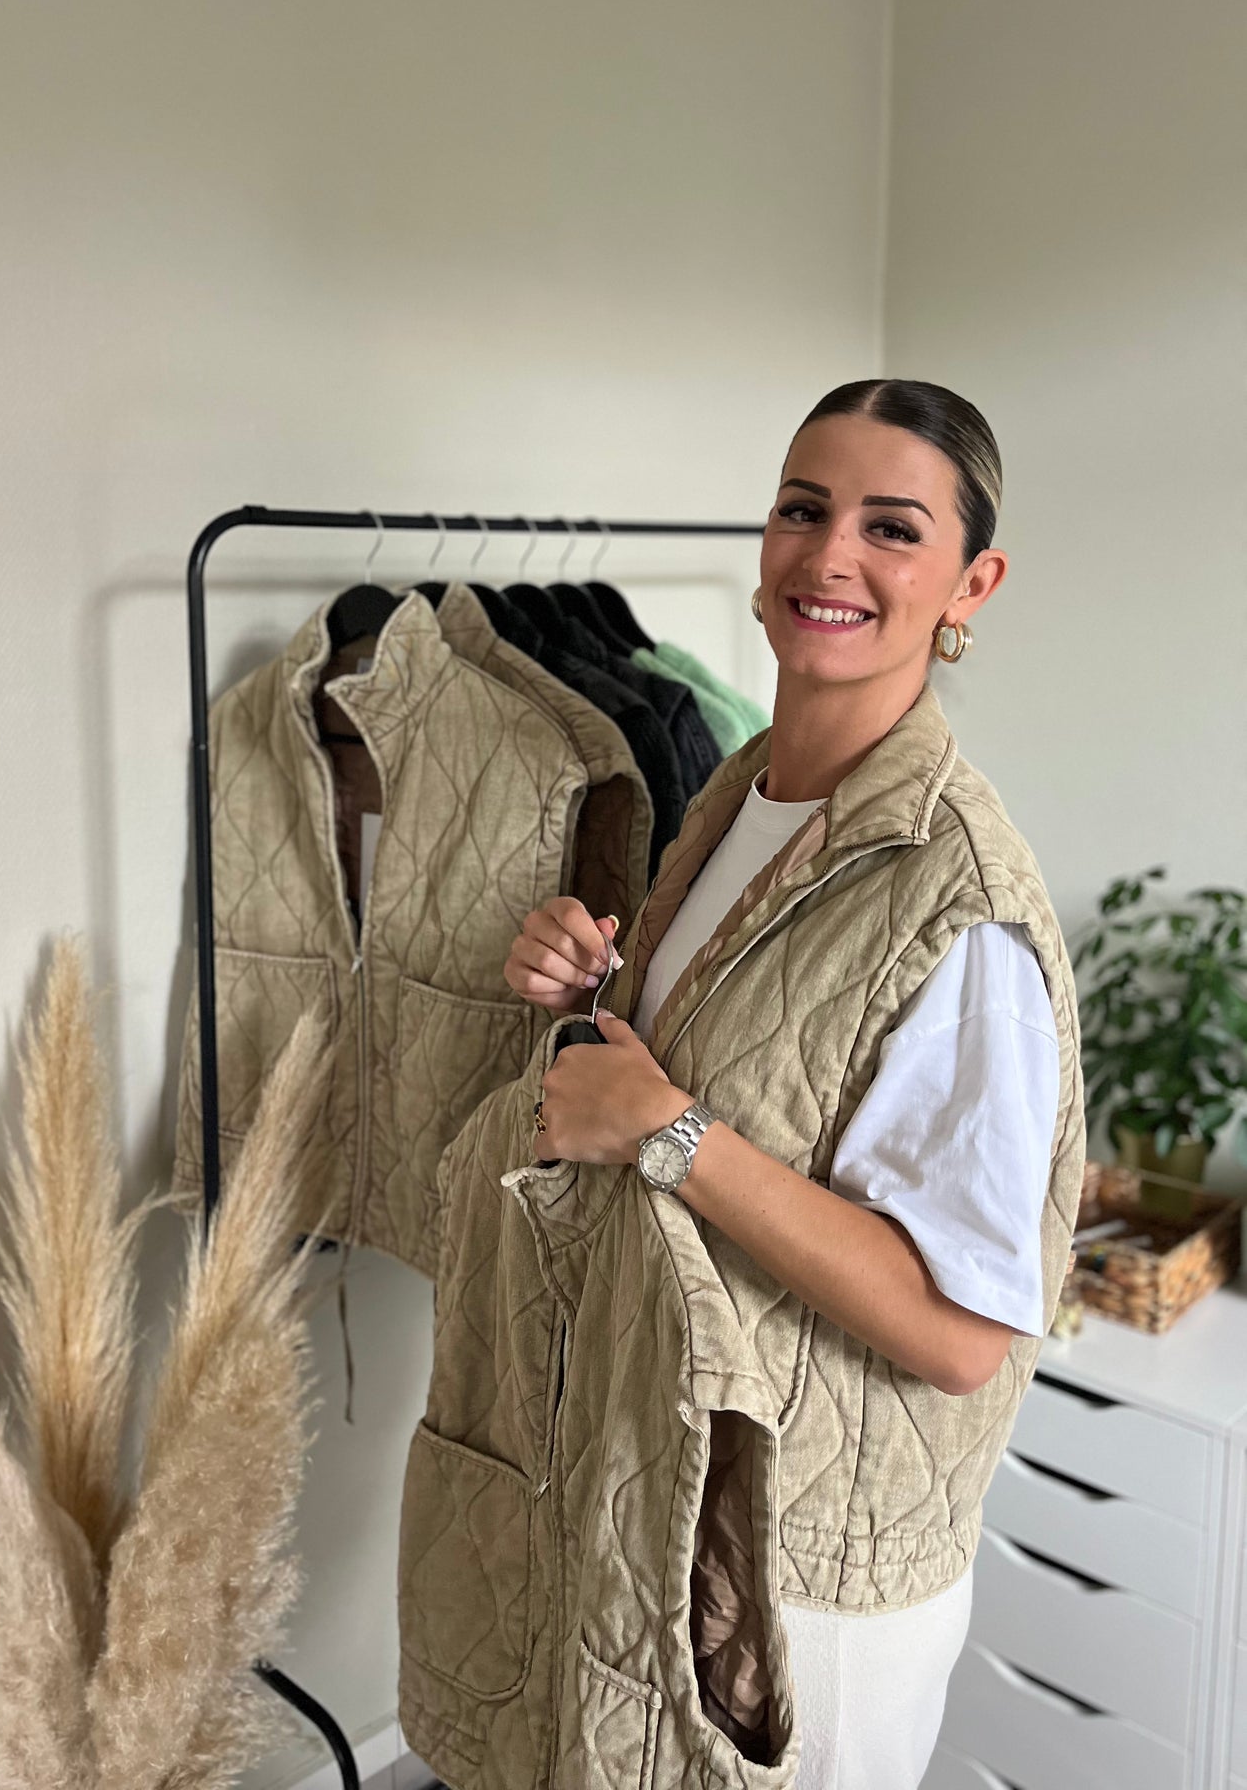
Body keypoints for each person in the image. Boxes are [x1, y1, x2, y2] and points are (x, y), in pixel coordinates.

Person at [502, 378, 1066, 1790]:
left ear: (971, 585)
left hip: (809, 1579)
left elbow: (961, 1334)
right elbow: (753, 1070)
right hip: (678, 1501)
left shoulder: (964, 901)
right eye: (803, 510)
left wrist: (670, 1131)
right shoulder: (743, 794)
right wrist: (598, 1002)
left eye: (893, 528)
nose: (829, 557)